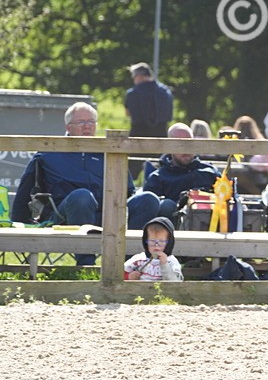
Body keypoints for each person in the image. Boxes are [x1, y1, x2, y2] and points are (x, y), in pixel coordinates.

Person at [10, 102, 160, 264]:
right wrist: (19, 226)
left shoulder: (108, 151)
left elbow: (129, 190)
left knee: (148, 198)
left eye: (91, 122)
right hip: (67, 214)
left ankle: (127, 264)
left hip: (109, 212)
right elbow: (25, 191)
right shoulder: (49, 152)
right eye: (81, 122)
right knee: (82, 196)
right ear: (68, 127)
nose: (87, 126)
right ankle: (85, 264)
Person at [143, 122, 219, 220]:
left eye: (189, 144)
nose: (186, 150)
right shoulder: (157, 178)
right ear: (169, 146)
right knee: (167, 205)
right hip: (173, 230)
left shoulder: (210, 171)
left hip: (209, 224)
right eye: (180, 144)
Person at [124, 216, 184, 282]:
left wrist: (164, 264)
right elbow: (119, 273)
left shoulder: (171, 262)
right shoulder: (139, 259)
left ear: (169, 243)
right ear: (146, 241)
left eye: (161, 242)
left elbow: (176, 282)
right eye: (152, 241)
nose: (156, 245)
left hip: (162, 291)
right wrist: (129, 276)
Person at [124, 62, 174, 138]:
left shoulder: (132, 93)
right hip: (161, 136)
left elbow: (128, 113)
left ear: (139, 76)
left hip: (138, 137)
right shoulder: (166, 92)